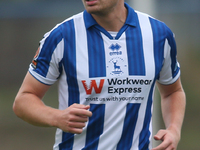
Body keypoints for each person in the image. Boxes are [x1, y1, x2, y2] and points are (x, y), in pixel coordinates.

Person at [13, 0, 186, 150]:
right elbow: (23, 100)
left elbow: (173, 91)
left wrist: (174, 130)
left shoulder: (159, 34)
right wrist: (56, 117)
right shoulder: (61, 36)